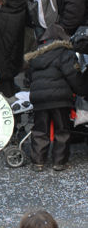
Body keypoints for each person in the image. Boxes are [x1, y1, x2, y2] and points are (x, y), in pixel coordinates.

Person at [24, 25, 86, 172]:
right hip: (60, 99)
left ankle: (38, 162)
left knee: (40, 129)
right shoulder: (65, 53)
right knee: (62, 130)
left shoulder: (35, 55)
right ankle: (59, 162)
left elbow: (28, 80)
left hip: (39, 99)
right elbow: (73, 77)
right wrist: (83, 90)